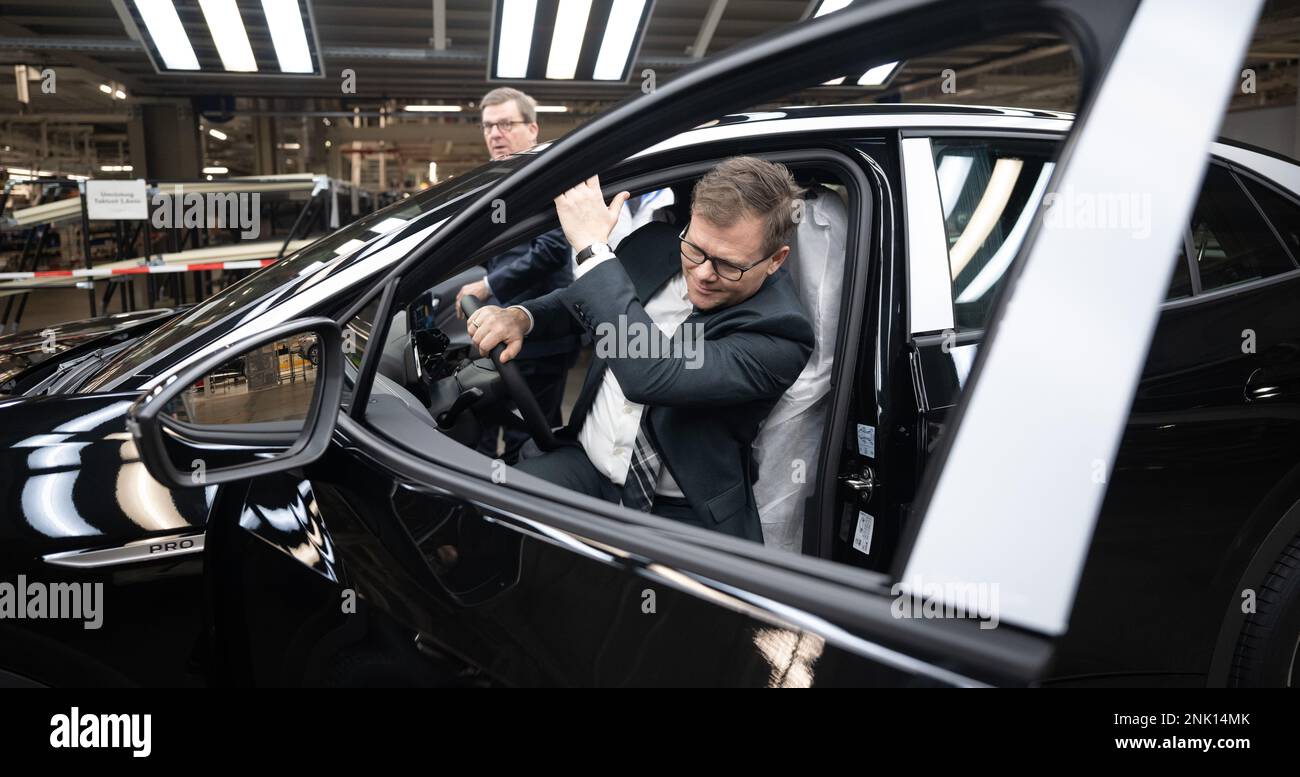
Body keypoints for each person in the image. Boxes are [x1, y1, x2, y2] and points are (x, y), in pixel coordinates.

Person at [466, 157, 814, 542]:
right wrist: (522, 316)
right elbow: (583, 305)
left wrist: (591, 250)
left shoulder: (781, 334)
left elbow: (652, 374)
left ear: (775, 260)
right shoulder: (651, 245)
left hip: (682, 512)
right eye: (695, 249)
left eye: (728, 265)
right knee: (487, 521)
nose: (702, 273)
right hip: (586, 466)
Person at [455, 87, 576, 463]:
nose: (495, 133)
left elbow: (552, 250)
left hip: (542, 331)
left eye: (506, 124)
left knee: (534, 431)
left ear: (533, 128)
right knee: (496, 418)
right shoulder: (497, 182)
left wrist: (488, 286)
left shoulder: (548, 179)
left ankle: (535, 502)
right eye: (489, 126)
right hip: (501, 330)